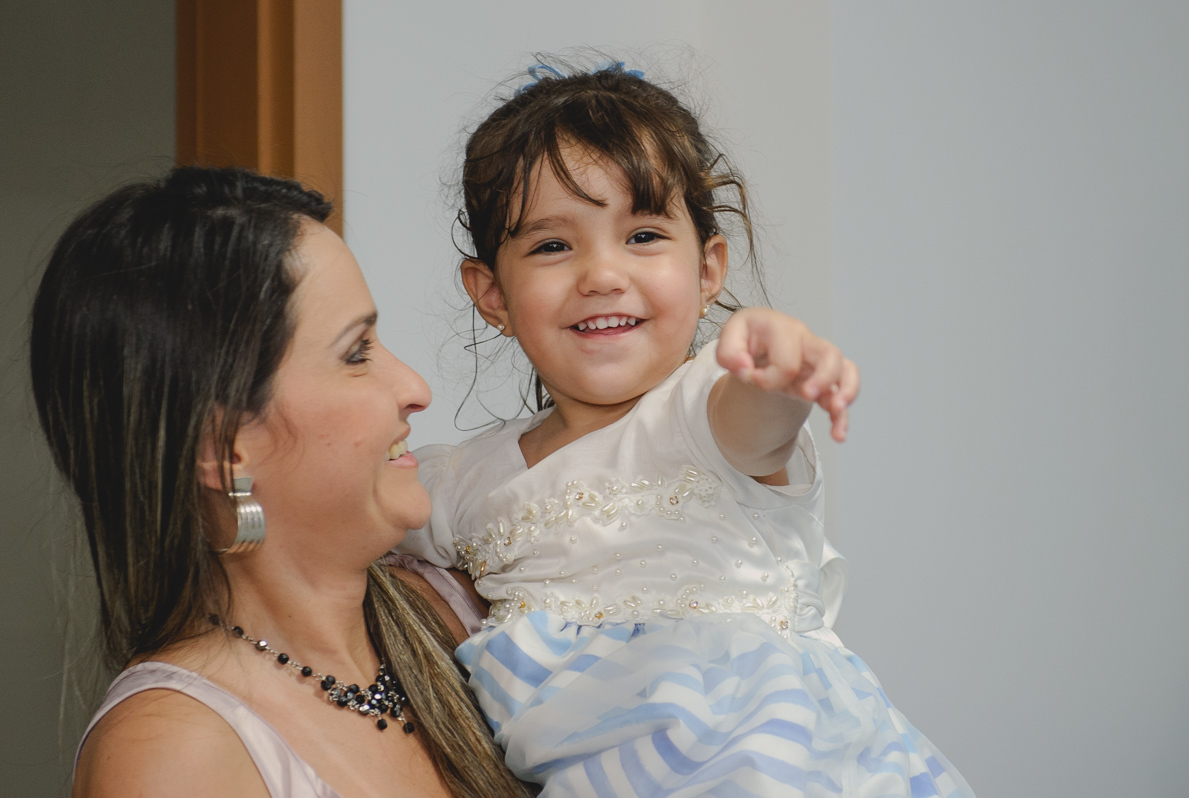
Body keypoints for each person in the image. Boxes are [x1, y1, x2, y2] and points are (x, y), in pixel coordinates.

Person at [396, 62, 976, 797]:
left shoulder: (703, 410)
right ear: (492, 295)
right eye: (552, 246)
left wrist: (775, 367)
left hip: (775, 766)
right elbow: (347, 514)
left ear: (708, 271)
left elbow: (755, 423)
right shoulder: (461, 480)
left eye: (642, 235)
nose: (602, 274)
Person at [30, 167, 529, 797]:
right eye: (356, 352)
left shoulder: (472, 613)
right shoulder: (176, 756)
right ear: (223, 449)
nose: (414, 388)